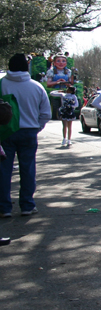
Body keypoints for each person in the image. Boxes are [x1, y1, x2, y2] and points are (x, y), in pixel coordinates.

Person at [0, 54, 51, 217]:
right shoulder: (36, 87)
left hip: (5, 132)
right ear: (26, 67)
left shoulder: (1, 84)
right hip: (29, 132)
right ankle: (27, 205)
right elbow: (46, 113)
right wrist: (37, 128)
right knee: (28, 169)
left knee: (3, 170)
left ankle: (4, 208)